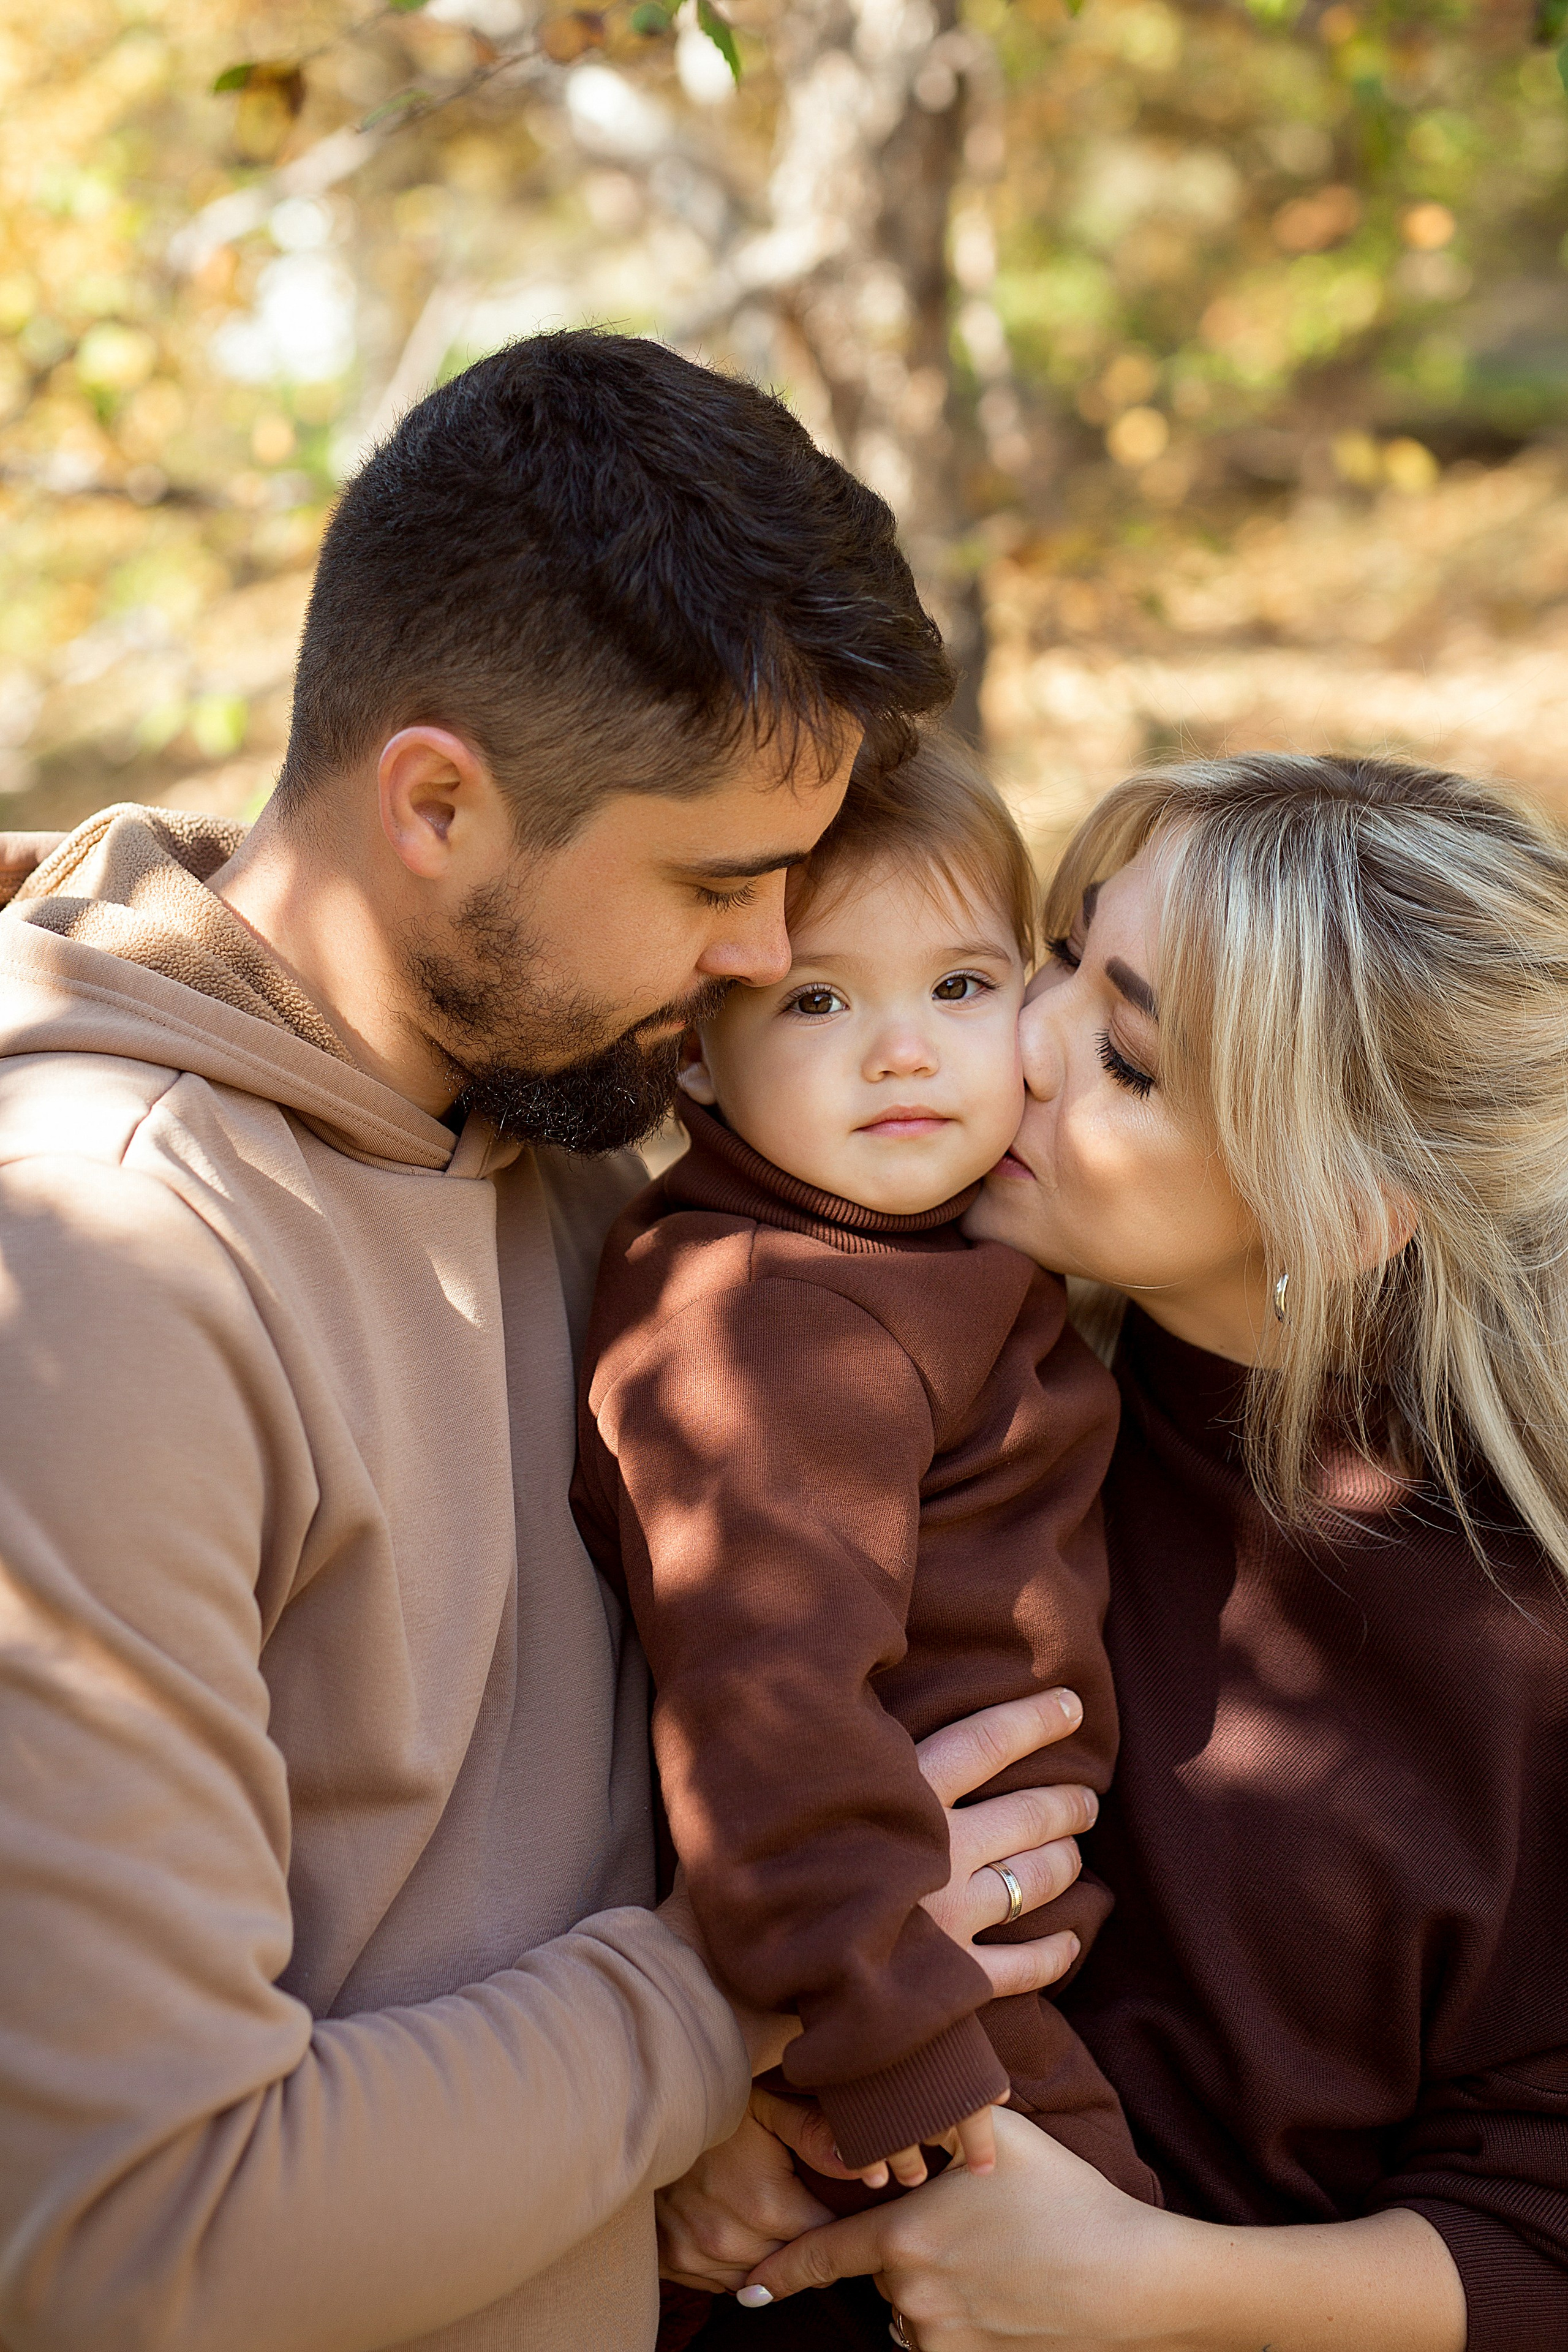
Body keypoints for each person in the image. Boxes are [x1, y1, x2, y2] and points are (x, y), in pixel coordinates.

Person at [0, 330, 1089, 2352]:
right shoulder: (101, 1280)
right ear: (435, 803)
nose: (766, 956)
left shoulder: (577, 1121)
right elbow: (135, 2239)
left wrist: (719, 2145)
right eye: (718, 883)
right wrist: (765, 1985)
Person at [664, 753, 1568, 2351]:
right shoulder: (869, 1345)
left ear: (1338, 1210)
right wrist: (704, 2085)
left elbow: (1542, 2227)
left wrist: (1147, 2291)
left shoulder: (1516, 1622)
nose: (1017, 1038)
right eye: (1062, 954)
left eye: (1126, 1060)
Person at [573, 737, 1156, 2204]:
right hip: (903, 1977)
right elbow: (766, 1707)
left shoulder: (908, 1246)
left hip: (968, 1938)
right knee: (1101, 2257)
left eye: (958, 986)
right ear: (691, 1047)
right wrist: (884, 2039)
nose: (902, 1051)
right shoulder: (770, 1324)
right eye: (818, 1000)